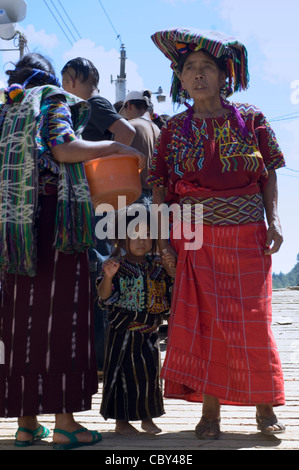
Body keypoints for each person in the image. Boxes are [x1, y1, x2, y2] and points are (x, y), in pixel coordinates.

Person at [0, 52, 145, 450]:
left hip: (15, 231)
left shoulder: (7, 109)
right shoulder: (52, 98)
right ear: (50, 77)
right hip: (54, 224)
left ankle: (26, 424)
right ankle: (66, 423)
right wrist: (112, 151)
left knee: (21, 322)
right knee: (63, 315)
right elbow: (63, 148)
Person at [148, 28, 286, 440]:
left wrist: (274, 219)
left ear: (224, 75)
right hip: (193, 233)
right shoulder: (172, 130)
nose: (199, 74)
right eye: (190, 68)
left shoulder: (252, 118)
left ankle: (265, 408)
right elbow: (160, 187)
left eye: (207, 66)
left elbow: (269, 175)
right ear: (181, 79)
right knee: (205, 323)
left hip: (247, 233)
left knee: (251, 322)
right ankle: (210, 414)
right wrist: (160, 241)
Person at [61, 57, 136, 377]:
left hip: (94, 198)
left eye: (68, 79)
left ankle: (103, 358)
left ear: (72, 79)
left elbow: (127, 132)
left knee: (100, 269)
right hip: (83, 199)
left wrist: (102, 160)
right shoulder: (72, 108)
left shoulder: (93, 102)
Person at [96, 207, 175, 436]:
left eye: (148, 234)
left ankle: (147, 417)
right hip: (123, 331)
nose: (142, 240)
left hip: (150, 330)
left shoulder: (157, 267)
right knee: (122, 375)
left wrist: (172, 269)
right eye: (136, 235)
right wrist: (109, 277)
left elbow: (172, 288)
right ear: (122, 238)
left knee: (149, 375)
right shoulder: (115, 266)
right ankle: (121, 421)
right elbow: (103, 296)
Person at [120, 90, 161, 200]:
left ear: (128, 105)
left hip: (134, 195)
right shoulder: (159, 130)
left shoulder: (130, 127)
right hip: (155, 197)